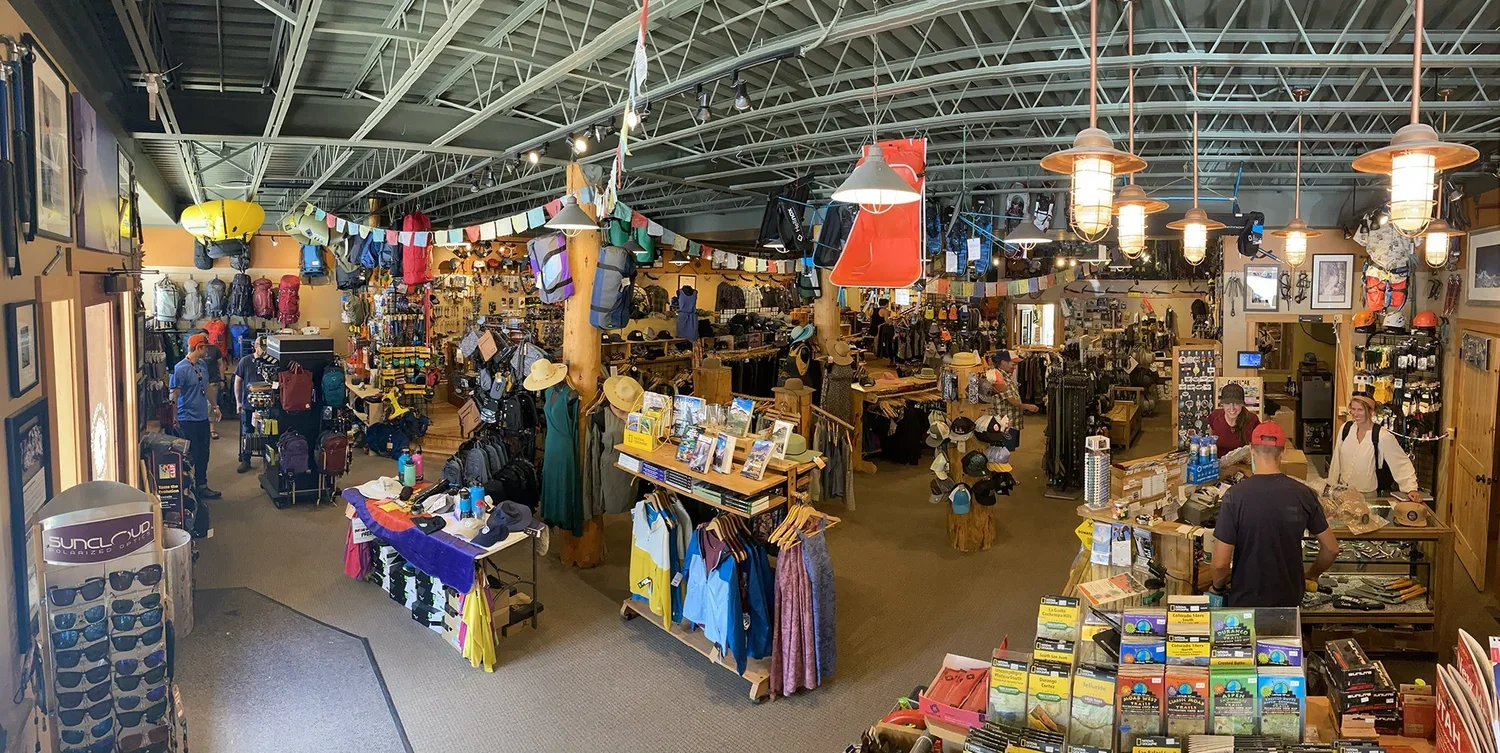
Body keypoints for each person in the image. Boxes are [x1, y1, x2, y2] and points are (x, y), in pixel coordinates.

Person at [1209, 422, 1339, 607]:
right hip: (1289, 598)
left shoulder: (1235, 496)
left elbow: (1221, 563)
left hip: (1246, 599)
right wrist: (1311, 574)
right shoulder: (1304, 493)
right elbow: (1332, 549)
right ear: (1283, 452)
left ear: (1252, 451)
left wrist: (1217, 587)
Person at [1326, 394, 1423, 504]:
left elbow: (1400, 463)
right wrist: (1331, 484)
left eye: (1360, 410)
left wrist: (1411, 488)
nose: (1355, 414)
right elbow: (1336, 459)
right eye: (1353, 409)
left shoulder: (1382, 436)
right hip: (1343, 494)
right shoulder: (1346, 429)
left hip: (1368, 497)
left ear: (1371, 411)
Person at [170, 333, 222, 499]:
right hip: (186, 419)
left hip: (202, 418)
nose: (207, 350)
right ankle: (187, 488)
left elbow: (206, 387)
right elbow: (174, 395)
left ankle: (202, 485)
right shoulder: (180, 369)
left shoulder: (202, 365)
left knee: (203, 453)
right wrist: (174, 417)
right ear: (198, 347)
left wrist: (215, 406)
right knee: (190, 455)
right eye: (205, 347)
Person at [233, 336, 270, 474]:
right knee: (247, 432)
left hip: (267, 404)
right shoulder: (246, 361)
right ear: (255, 346)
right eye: (262, 346)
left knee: (268, 433)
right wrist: (238, 402)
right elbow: (238, 382)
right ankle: (245, 460)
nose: (264, 350)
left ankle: (269, 461)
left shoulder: (270, 362)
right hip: (249, 404)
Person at [992, 350, 1039, 449]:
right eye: (1013, 364)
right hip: (1006, 424)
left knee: (1007, 450)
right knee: (1003, 450)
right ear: (1003, 362)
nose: (1015, 367)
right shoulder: (999, 378)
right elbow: (1011, 400)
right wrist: (1027, 406)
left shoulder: (1006, 376)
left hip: (1011, 421)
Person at [1207, 382, 1260, 454]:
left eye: (1236, 403)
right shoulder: (1215, 417)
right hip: (1218, 463)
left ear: (1242, 404)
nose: (1232, 408)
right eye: (1228, 404)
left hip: (1243, 464)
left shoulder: (1252, 420)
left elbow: (1258, 446)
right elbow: (1211, 441)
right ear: (1222, 404)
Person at [201, 332, 225, 440]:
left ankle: (212, 429)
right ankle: (203, 428)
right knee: (202, 405)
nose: (204, 338)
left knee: (211, 404)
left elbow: (221, 364)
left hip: (212, 380)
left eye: (206, 336)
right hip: (199, 382)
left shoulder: (214, 349)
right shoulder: (195, 351)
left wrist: (222, 379)